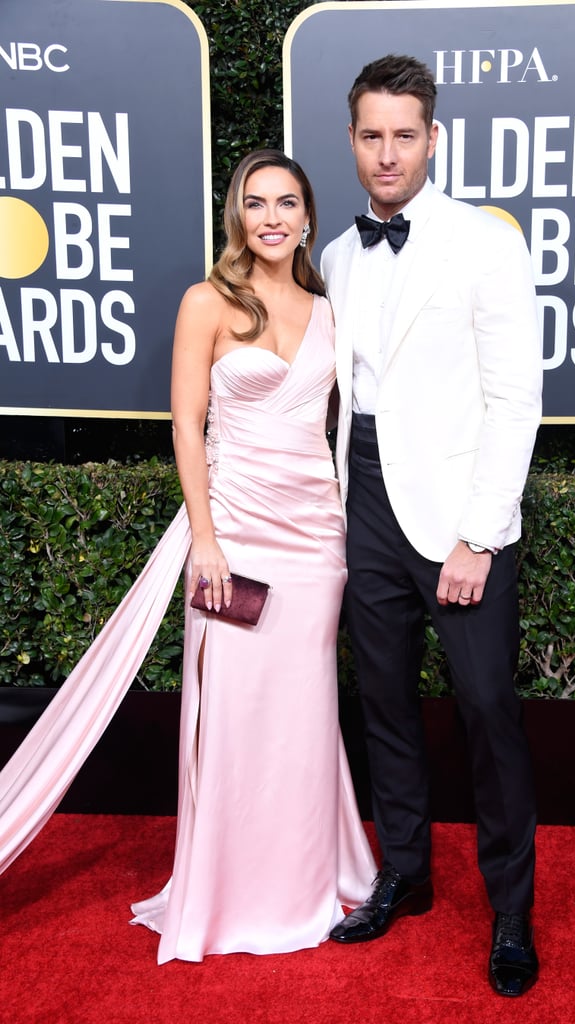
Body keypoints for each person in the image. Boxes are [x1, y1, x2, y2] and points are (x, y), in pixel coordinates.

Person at [0, 149, 376, 962]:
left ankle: (305, 876)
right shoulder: (205, 301)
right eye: (255, 202)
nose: (271, 217)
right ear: (236, 216)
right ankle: (233, 889)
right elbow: (184, 426)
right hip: (234, 534)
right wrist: (203, 535)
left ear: (308, 215)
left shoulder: (327, 304)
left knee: (304, 714)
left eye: (286, 202)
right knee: (237, 715)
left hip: (317, 541)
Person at [320, 56, 543, 997]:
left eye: (403, 134)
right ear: (351, 140)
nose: (386, 152)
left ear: (433, 138)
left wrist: (478, 534)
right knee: (382, 705)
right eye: (371, 135)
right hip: (361, 504)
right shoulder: (333, 254)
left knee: (487, 710)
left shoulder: (483, 243)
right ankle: (403, 871)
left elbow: (515, 396)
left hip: (456, 513)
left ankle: (510, 911)